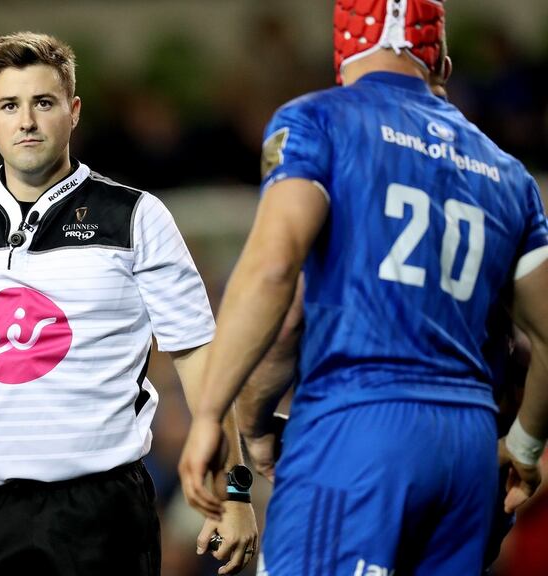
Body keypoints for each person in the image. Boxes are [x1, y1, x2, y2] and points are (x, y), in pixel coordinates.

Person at [178, 1, 548, 574]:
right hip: (470, 452)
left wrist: (224, 419)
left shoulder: (318, 121)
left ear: (342, 58)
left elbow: (279, 282)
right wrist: (523, 447)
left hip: (355, 429)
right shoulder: (509, 174)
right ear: (442, 66)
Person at [0, 31, 257, 576]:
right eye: (10, 105)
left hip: (105, 512)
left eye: (44, 103)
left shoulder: (135, 216)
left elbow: (200, 357)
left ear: (73, 111)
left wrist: (236, 491)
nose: (27, 121)